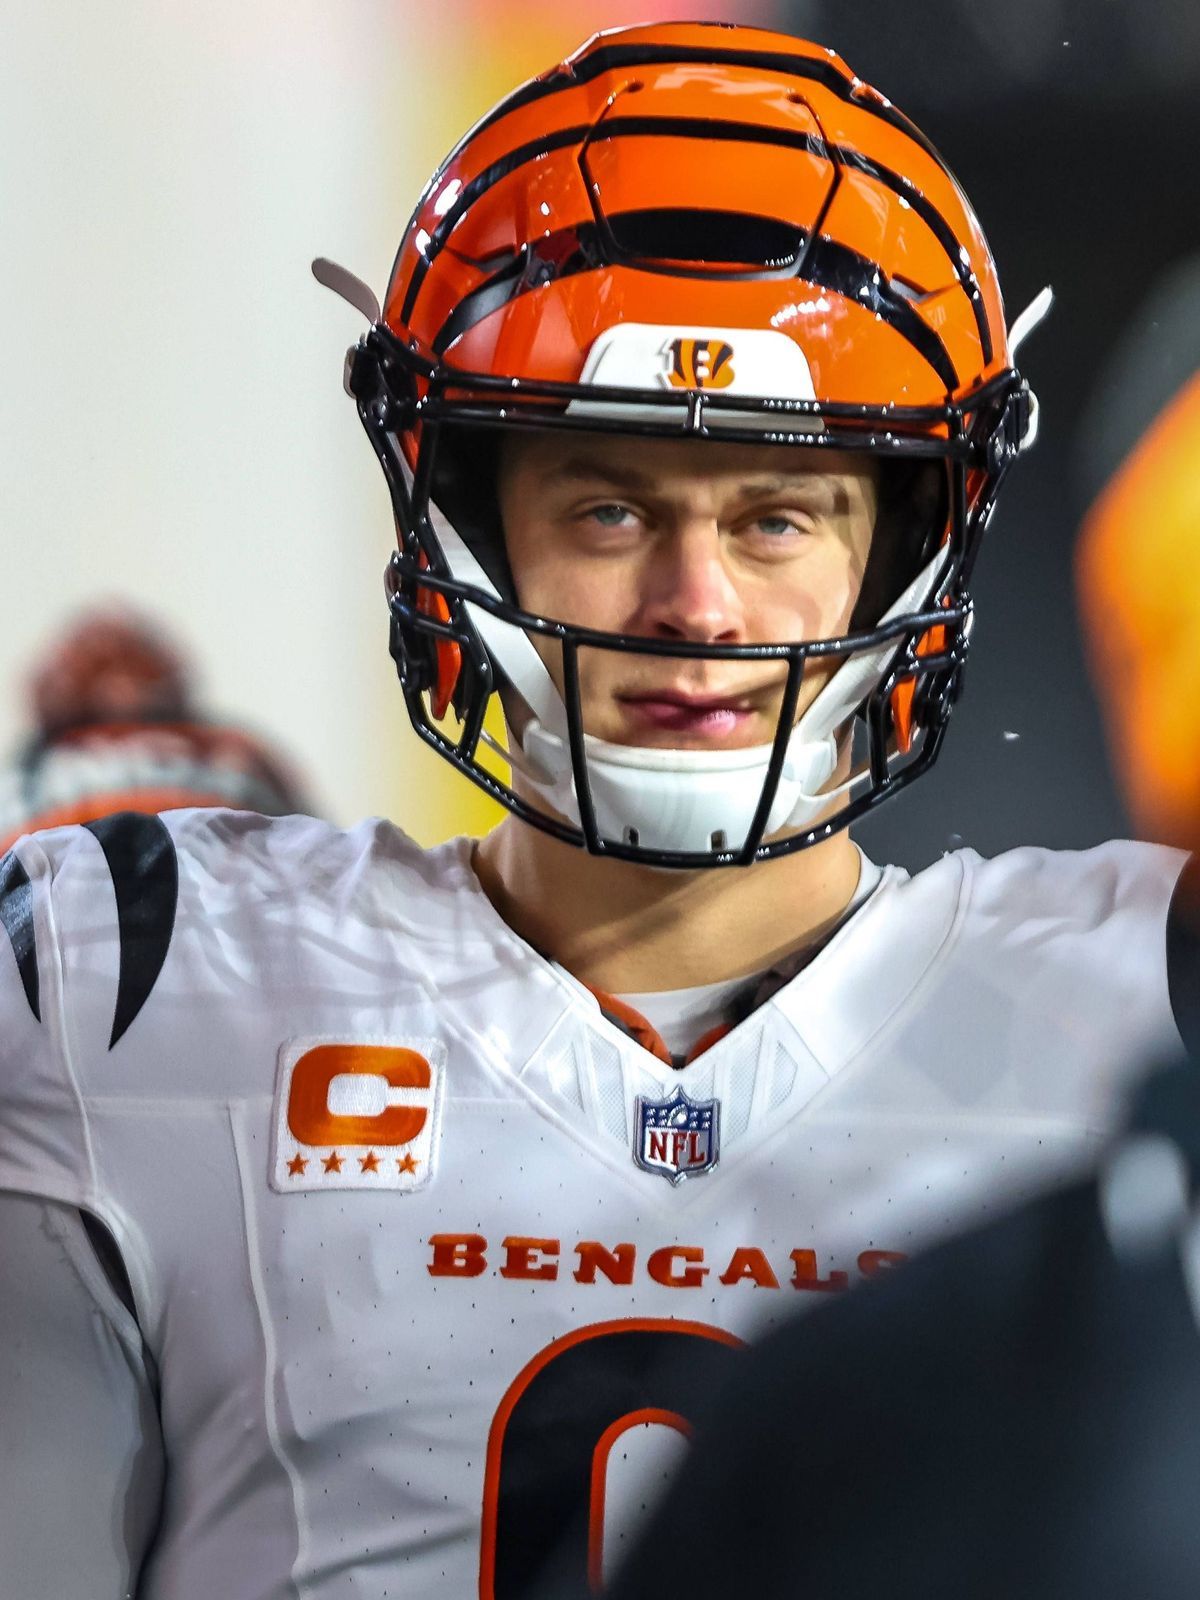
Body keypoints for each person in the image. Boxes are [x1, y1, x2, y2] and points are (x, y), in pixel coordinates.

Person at [0, 22, 1187, 1600]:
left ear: (902, 549)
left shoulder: (1145, 995)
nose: (696, 605)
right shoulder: (133, 981)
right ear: (469, 518)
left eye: (778, 515)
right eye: (609, 504)